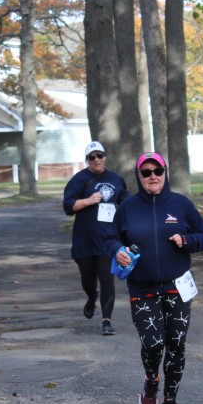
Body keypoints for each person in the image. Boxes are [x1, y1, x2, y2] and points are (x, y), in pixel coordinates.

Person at [107, 152, 203, 404]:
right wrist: (117, 250)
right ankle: (151, 379)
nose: (152, 176)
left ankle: (170, 401)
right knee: (153, 343)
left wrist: (186, 241)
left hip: (177, 286)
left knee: (176, 343)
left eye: (158, 171)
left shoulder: (181, 204)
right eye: (146, 172)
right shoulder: (127, 207)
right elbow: (110, 238)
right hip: (143, 288)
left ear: (165, 172)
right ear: (139, 176)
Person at [63, 141, 129, 336]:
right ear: (87, 160)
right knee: (88, 280)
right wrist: (88, 201)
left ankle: (107, 321)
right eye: (92, 157)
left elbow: (126, 204)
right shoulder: (79, 179)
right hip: (84, 239)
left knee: (107, 279)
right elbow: (68, 205)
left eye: (100, 156)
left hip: (108, 239)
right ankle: (92, 296)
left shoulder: (115, 179)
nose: (97, 160)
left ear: (105, 157)